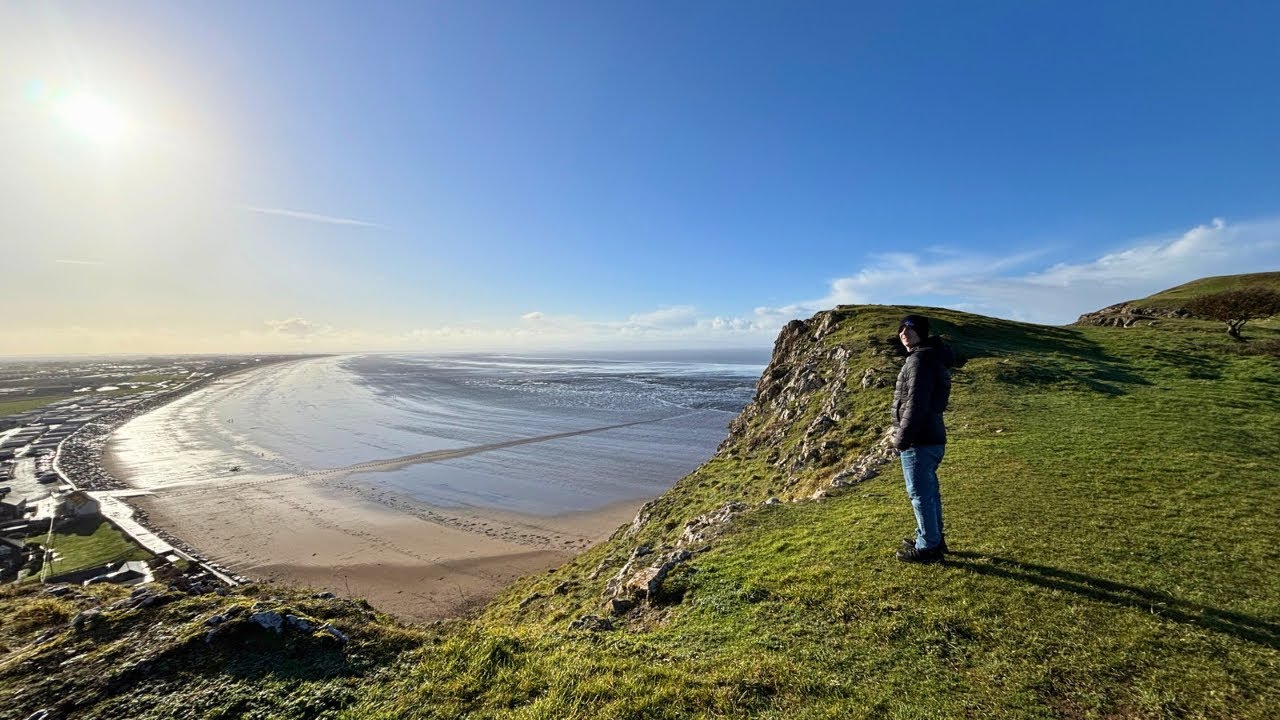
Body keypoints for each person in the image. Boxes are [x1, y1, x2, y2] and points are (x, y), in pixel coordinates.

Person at [890, 314, 954, 563]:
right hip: (931, 436)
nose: (904, 332)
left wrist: (902, 439)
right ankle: (932, 537)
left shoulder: (919, 360)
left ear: (922, 333)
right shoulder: (928, 357)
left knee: (920, 494)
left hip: (921, 438)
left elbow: (916, 404)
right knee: (929, 492)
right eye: (901, 329)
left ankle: (928, 547)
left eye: (911, 328)